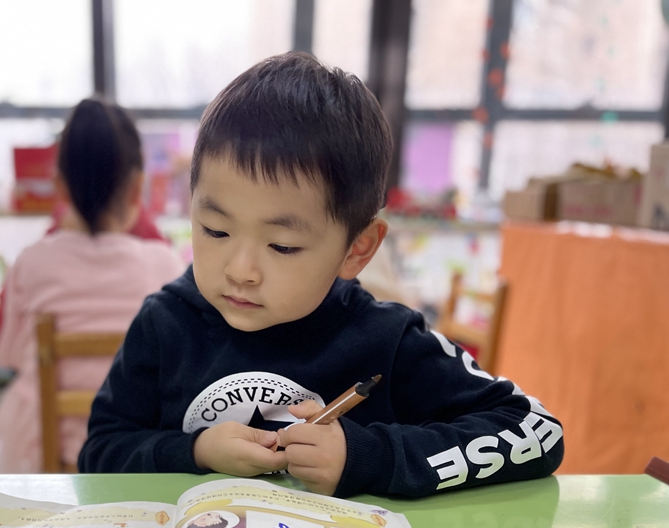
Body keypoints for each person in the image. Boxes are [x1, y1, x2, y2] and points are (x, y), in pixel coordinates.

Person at [78, 53, 564, 498]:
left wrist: (366, 457)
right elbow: (99, 454)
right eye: (215, 230)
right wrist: (196, 451)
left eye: (282, 246)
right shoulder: (165, 323)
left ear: (357, 249)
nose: (240, 270)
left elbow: (536, 431)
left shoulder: (387, 340)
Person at [0, 97, 184, 472]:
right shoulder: (165, 263)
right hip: (134, 451)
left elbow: (3, 354)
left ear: (59, 187)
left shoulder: (31, 262)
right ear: (136, 186)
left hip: (40, 451)